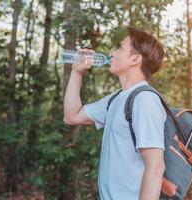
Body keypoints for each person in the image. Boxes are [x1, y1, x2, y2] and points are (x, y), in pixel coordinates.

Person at [63, 26, 166, 200]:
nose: (112, 53)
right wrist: (76, 72)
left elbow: (155, 167)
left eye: (120, 48)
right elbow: (71, 116)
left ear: (135, 59)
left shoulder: (145, 100)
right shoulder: (116, 99)